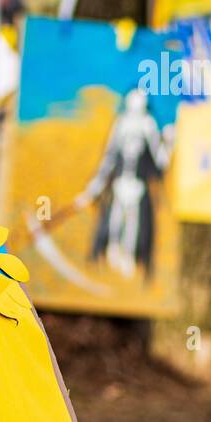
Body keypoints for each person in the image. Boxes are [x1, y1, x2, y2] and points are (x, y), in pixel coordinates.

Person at [75, 88, 172, 280]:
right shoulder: (121, 124)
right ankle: (112, 251)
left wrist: (169, 142)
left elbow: (160, 161)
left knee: (133, 224)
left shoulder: (148, 125)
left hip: (138, 186)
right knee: (115, 219)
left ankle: (128, 255)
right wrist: (95, 187)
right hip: (120, 184)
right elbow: (109, 158)